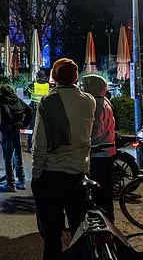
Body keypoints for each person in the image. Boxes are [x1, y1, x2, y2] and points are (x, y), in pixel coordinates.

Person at [31, 58, 95, 260]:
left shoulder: (48, 102)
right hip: (79, 174)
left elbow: (40, 144)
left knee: (52, 236)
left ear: (54, 76)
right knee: (79, 233)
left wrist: (36, 175)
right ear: (76, 77)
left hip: (52, 175)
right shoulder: (89, 101)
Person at [82, 74, 116, 222]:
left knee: (99, 189)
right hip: (106, 151)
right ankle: (107, 219)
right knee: (105, 189)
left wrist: (84, 141)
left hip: (99, 153)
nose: (82, 89)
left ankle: (101, 221)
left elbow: (96, 131)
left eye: (85, 86)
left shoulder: (96, 104)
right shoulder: (104, 100)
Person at [0, 84, 32, 192]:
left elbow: (7, 115)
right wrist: (22, 124)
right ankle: (21, 181)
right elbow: (30, 111)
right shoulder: (18, 100)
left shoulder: (4, 102)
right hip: (16, 130)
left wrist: (11, 124)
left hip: (8, 131)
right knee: (18, 155)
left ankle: (10, 183)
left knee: (8, 157)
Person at [26, 70, 50, 152]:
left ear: (37, 76)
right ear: (45, 77)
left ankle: (30, 146)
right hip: (44, 108)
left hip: (34, 107)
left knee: (32, 127)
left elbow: (29, 93)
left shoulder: (33, 85)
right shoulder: (48, 86)